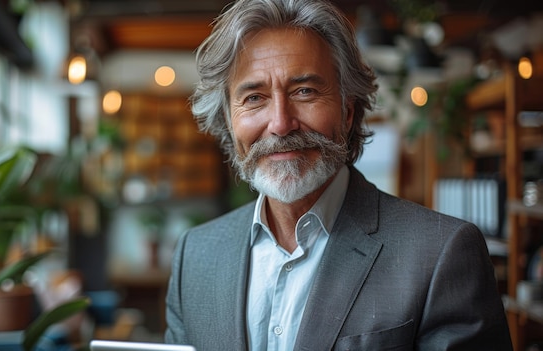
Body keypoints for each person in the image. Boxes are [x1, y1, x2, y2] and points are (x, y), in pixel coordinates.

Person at [164, 0, 513, 350]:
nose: (281, 124)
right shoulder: (196, 255)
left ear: (347, 111)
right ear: (228, 120)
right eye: (254, 98)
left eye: (305, 91)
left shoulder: (441, 254)